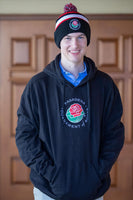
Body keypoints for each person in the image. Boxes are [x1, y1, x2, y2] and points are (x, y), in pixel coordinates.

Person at [16, 3, 124, 200]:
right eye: (68, 38)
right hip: (48, 190)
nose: (75, 45)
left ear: (87, 40)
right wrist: (51, 174)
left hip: (93, 189)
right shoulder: (38, 85)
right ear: (59, 41)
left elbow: (114, 134)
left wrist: (96, 173)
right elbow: (25, 137)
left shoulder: (105, 85)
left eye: (80, 37)